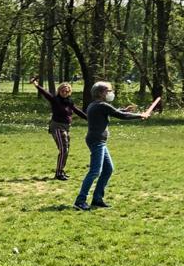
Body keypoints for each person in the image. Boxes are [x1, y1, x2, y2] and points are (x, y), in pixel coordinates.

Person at [74, 81, 148, 211]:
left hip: (98, 141)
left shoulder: (95, 105)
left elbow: (114, 112)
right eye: (109, 91)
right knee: (94, 171)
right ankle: (80, 201)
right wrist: (140, 115)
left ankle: (97, 199)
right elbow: (121, 116)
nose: (111, 93)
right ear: (101, 93)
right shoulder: (101, 105)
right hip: (97, 141)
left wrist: (123, 110)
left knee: (108, 169)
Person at [30, 76, 86, 181]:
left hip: (66, 128)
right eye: (62, 90)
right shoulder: (55, 100)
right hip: (57, 127)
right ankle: (58, 173)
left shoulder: (69, 102)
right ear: (59, 91)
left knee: (66, 150)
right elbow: (45, 93)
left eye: (67, 91)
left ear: (69, 92)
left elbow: (78, 111)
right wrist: (36, 84)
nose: (64, 92)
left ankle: (61, 170)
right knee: (64, 150)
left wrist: (89, 119)